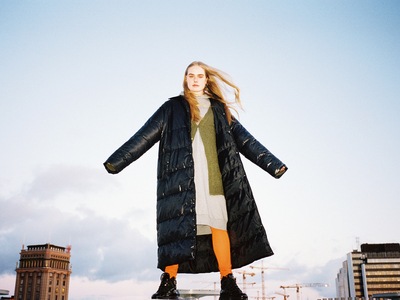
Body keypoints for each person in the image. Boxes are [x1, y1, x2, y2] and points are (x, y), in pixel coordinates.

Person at [104, 61, 288, 300]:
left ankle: (227, 282)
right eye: (190, 75)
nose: (195, 79)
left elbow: (245, 140)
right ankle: (168, 283)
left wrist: (273, 164)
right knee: (177, 231)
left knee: (218, 226)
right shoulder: (171, 108)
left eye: (199, 76)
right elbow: (144, 135)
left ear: (206, 80)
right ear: (186, 79)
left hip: (214, 180)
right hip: (180, 182)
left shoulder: (220, 109)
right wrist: (116, 161)